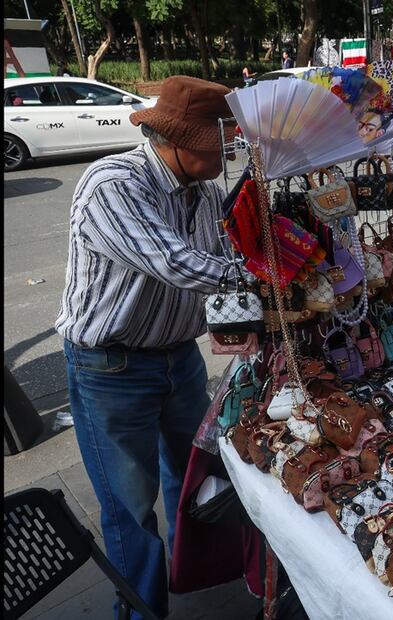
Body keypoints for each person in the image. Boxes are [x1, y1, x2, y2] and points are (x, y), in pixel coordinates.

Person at [54, 75, 234, 618]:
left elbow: (226, 249)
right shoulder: (114, 182)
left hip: (178, 357)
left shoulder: (205, 192)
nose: (229, 149)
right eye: (220, 138)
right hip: (112, 368)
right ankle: (140, 610)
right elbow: (178, 264)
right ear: (181, 141)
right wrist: (265, 275)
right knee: (129, 506)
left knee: (194, 477)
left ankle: (193, 575)